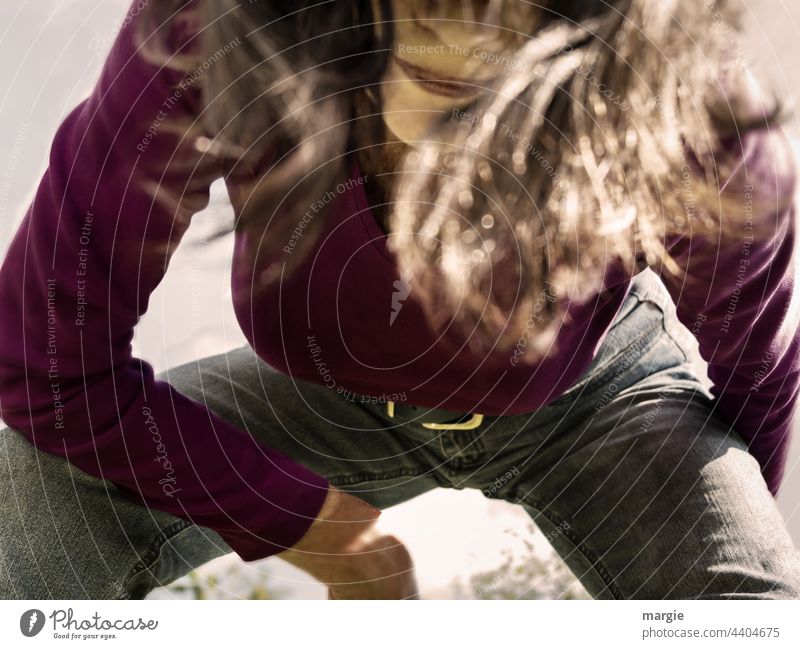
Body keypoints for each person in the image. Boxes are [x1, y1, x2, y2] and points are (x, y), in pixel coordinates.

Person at [1, 0, 799, 600]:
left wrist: (711, 540)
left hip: (602, 393)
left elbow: (757, 385)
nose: (455, 13)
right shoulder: (208, 26)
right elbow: (41, 354)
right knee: (29, 499)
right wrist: (315, 527)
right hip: (329, 402)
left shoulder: (699, 113)